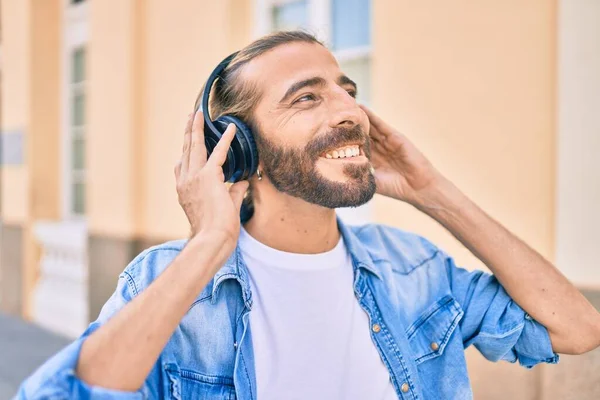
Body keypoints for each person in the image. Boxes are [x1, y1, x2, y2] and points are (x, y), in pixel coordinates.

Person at [17, 31, 600, 400]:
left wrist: (433, 191)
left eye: (347, 90)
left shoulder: (413, 268)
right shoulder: (166, 285)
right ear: (240, 148)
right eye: (307, 97)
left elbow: (576, 329)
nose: (351, 110)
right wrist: (208, 244)